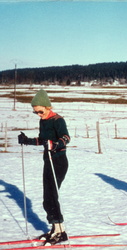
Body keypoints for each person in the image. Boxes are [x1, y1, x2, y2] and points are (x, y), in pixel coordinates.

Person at [18, 89, 70, 245]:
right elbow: (43, 140)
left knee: (51, 196)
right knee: (47, 198)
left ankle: (61, 232)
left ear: (47, 107)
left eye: (40, 111)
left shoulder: (57, 120)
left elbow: (66, 138)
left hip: (59, 161)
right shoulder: (43, 121)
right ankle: (55, 229)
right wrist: (27, 140)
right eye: (36, 113)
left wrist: (55, 144)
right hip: (48, 160)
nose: (38, 114)